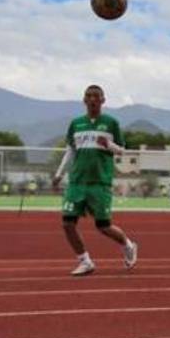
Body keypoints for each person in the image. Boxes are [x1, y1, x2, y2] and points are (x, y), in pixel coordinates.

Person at [52, 85, 139, 277]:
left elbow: (121, 151)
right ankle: (85, 261)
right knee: (67, 223)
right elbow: (70, 152)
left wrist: (108, 144)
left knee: (103, 226)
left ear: (103, 100)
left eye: (96, 96)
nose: (92, 99)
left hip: (100, 183)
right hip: (77, 182)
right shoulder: (76, 124)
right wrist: (59, 174)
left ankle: (128, 245)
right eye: (89, 96)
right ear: (84, 100)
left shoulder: (111, 123)